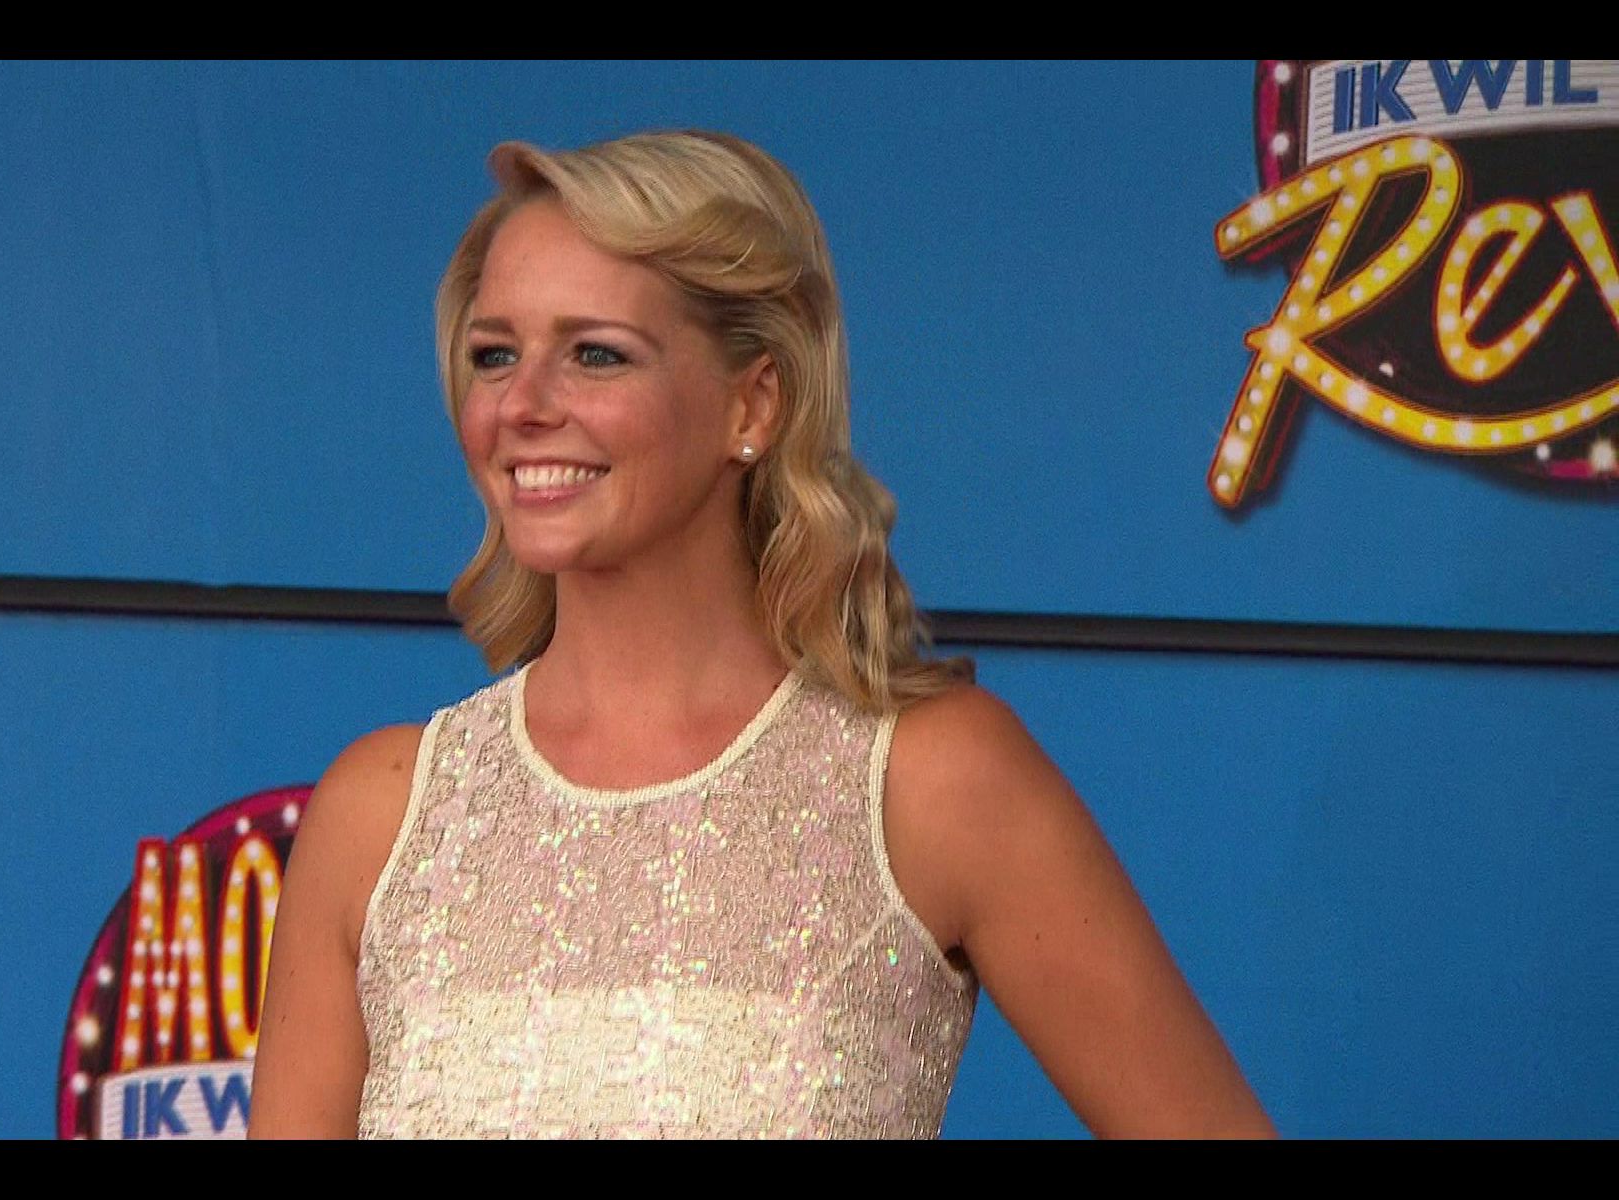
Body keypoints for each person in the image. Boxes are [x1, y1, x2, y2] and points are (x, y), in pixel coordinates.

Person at [247, 130, 1275, 1139]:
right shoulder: (382, 816)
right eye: (494, 354)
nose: (521, 404)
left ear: (754, 402)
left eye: (596, 354)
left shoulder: (931, 781)